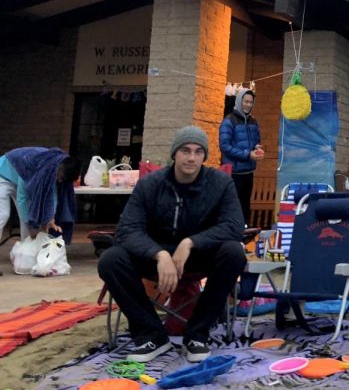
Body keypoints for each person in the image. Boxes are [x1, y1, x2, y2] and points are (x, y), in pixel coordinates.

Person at [97, 126, 245, 364]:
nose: (191, 157)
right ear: (174, 153)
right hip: (155, 257)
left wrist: (190, 243)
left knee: (234, 252)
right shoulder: (150, 185)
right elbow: (127, 229)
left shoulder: (220, 183)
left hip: (198, 255)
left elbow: (234, 226)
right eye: (185, 150)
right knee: (111, 259)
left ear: (204, 157)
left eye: (198, 152)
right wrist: (159, 253)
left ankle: (197, 334)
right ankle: (151, 335)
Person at [0, 148, 79, 260]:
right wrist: (31, 226)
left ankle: (26, 257)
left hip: (19, 179)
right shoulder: (33, 166)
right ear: (59, 170)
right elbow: (22, 198)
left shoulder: (54, 166)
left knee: (27, 216)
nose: (60, 181)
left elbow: (52, 194)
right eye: (61, 178)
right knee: (2, 215)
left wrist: (50, 218)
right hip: (2, 175)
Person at [219, 87, 263, 224]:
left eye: (251, 102)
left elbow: (256, 141)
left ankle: (244, 235)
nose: (248, 105)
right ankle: (233, 236)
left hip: (248, 172)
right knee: (233, 207)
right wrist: (247, 154)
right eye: (246, 101)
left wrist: (257, 148)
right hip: (234, 173)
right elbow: (224, 146)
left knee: (245, 207)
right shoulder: (229, 121)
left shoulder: (253, 121)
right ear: (239, 101)